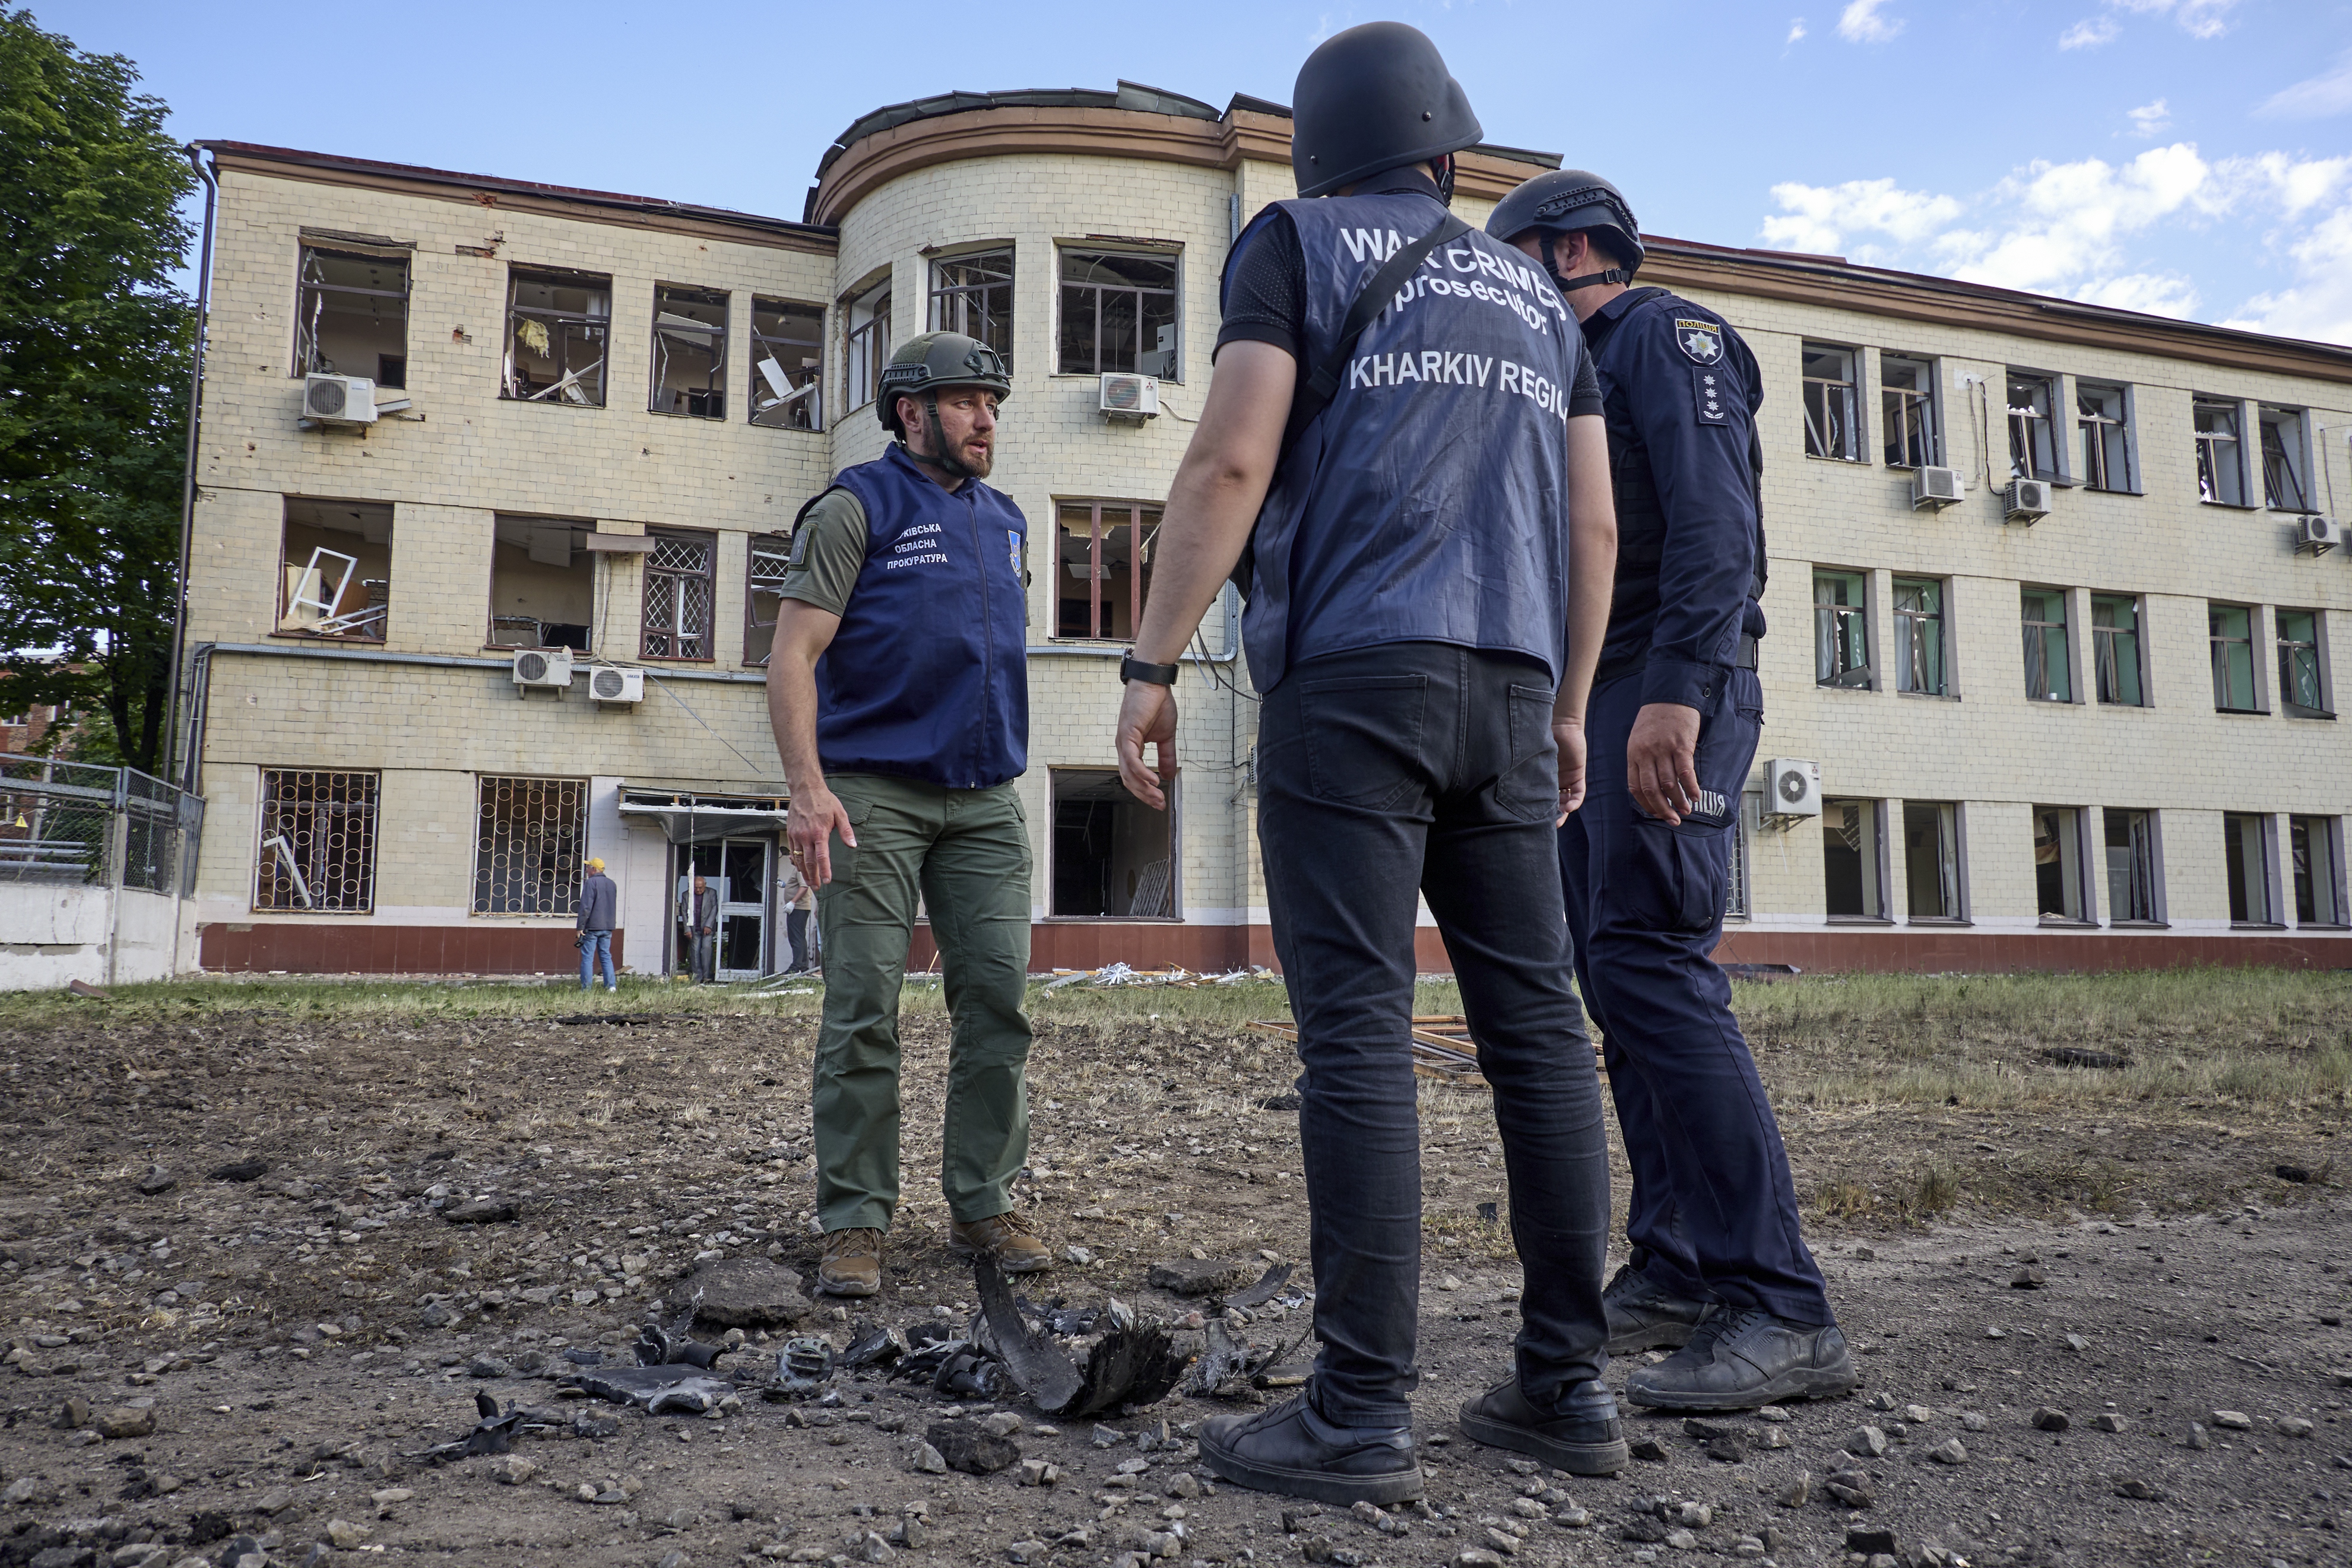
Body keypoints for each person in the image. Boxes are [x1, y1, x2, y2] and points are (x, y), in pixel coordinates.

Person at [1110, 21, 1625, 1505]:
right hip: (1515, 688)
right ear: (1448, 154)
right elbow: (1593, 527)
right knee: (1535, 1028)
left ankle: (1357, 1411)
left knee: (1357, 1034)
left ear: (1325, 147)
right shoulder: (1540, 291)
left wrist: (1150, 663)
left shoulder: (1295, 243)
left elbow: (1227, 459)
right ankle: (1567, 1385)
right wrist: (1573, 701)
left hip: (1355, 681)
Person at [1485, 169, 1856, 1410]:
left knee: (1652, 960)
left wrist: (1676, 694)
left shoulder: (1661, 335)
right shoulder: (1568, 378)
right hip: (1604, 686)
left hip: (1668, 682)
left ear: (1576, 249)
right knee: (1612, 971)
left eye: (1516, 261)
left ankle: (1781, 1303)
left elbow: (1713, 528)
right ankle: (1682, 1262)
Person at [765, 330, 1051, 1299]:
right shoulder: (855, 507)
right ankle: (853, 1218)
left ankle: (981, 1202)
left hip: (985, 800)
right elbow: (792, 657)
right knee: (861, 1010)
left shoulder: (1007, 520)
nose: (986, 420)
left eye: (993, 404)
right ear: (910, 412)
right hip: (870, 793)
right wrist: (808, 790)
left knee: (998, 1002)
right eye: (967, 401)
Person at [577, 856, 617, 992]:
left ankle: (586, 989)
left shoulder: (591, 883)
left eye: (588, 867)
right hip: (608, 926)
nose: (587, 870)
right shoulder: (612, 884)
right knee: (606, 956)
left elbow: (586, 907)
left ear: (594, 869)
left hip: (593, 927)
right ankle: (611, 986)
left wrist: (580, 927)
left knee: (588, 958)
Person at [679, 871, 717, 982]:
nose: (698, 890)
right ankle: (697, 977)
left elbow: (714, 909)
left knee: (706, 949)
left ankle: (707, 976)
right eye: (696, 888)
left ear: (705, 885)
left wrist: (709, 926)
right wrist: (687, 929)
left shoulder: (712, 893)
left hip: (707, 928)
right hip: (693, 928)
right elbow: (684, 912)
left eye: (701, 888)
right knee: (695, 952)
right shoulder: (686, 895)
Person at [780, 857, 814, 974]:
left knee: (796, 937)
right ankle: (803, 966)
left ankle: (796, 967)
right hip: (799, 908)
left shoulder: (800, 869)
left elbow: (804, 887)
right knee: (799, 936)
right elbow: (799, 885)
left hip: (798, 908)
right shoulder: (798, 869)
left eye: (791, 854)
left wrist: (792, 902)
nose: (790, 857)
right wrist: (786, 886)